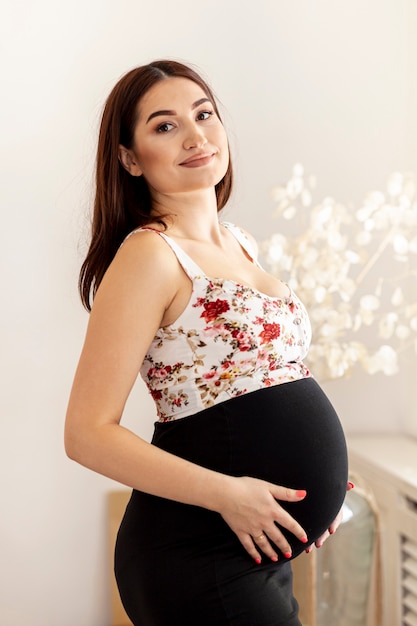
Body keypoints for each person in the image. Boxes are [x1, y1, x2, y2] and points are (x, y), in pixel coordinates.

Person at [65, 59, 350, 626]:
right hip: (198, 552)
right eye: (164, 126)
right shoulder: (149, 254)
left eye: (204, 115)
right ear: (128, 157)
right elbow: (86, 435)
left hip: (257, 548)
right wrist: (228, 495)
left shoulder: (240, 243)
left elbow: (272, 377)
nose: (196, 136)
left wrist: (320, 491)